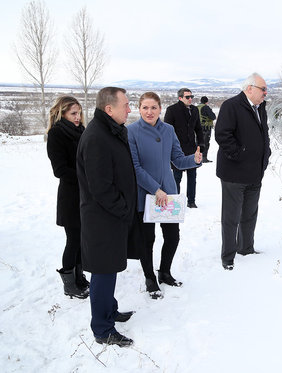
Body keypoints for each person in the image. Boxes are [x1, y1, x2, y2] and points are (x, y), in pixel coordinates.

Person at [76, 87, 142, 347]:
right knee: (103, 272)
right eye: (126, 105)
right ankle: (102, 329)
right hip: (102, 219)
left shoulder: (111, 130)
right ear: (109, 109)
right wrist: (124, 208)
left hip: (113, 217)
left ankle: (110, 310)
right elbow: (100, 187)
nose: (130, 109)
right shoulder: (96, 137)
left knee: (111, 267)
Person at [127, 92, 202, 299]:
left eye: (153, 108)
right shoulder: (131, 132)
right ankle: (150, 278)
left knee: (172, 236)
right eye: (145, 108)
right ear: (139, 109)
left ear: (160, 109)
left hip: (168, 193)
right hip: (146, 193)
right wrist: (154, 189)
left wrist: (194, 160)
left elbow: (177, 160)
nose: (149, 112)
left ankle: (165, 272)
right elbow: (134, 167)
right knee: (146, 240)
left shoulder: (168, 130)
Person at [215, 73, 271, 270]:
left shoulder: (260, 107)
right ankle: (228, 257)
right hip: (234, 173)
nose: (266, 93)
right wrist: (240, 154)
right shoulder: (232, 106)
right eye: (263, 89)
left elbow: (264, 133)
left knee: (249, 214)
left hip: (255, 172)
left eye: (266, 89)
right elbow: (222, 135)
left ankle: (246, 248)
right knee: (231, 217)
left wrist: (266, 154)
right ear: (250, 89)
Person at [46, 96, 89, 299]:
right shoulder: (56, 134)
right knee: (73, 239)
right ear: (62, 113)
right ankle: (69, 284)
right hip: (70, 195)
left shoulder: (81, 131)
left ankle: (79, 278)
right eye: (73, 113)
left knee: (82, 239)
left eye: (79, 113)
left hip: (85, 194)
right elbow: (59, 169)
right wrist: (86, 177)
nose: (78, 117)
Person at [164, 88, 204, 208]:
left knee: (192, 177)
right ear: (180, 98)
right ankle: (175, 200)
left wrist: (201, 144)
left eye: (191, 96)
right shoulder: (172, 110)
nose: (190, 99)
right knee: (177, 177)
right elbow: (167, 130)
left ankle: (191, 201)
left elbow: (198, 128)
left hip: (192, 148)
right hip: (177, 149)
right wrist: (168, 147)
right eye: (188, 97)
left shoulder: (195, 110)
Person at [197, 96, 217, 163]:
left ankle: (197, 157)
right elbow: (213, 117)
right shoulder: (206, 107)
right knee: (205, 142)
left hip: (197, 127)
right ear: (206, 102)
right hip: (206, 128)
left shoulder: (196, 107)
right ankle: (204, 158)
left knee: (197, 142)